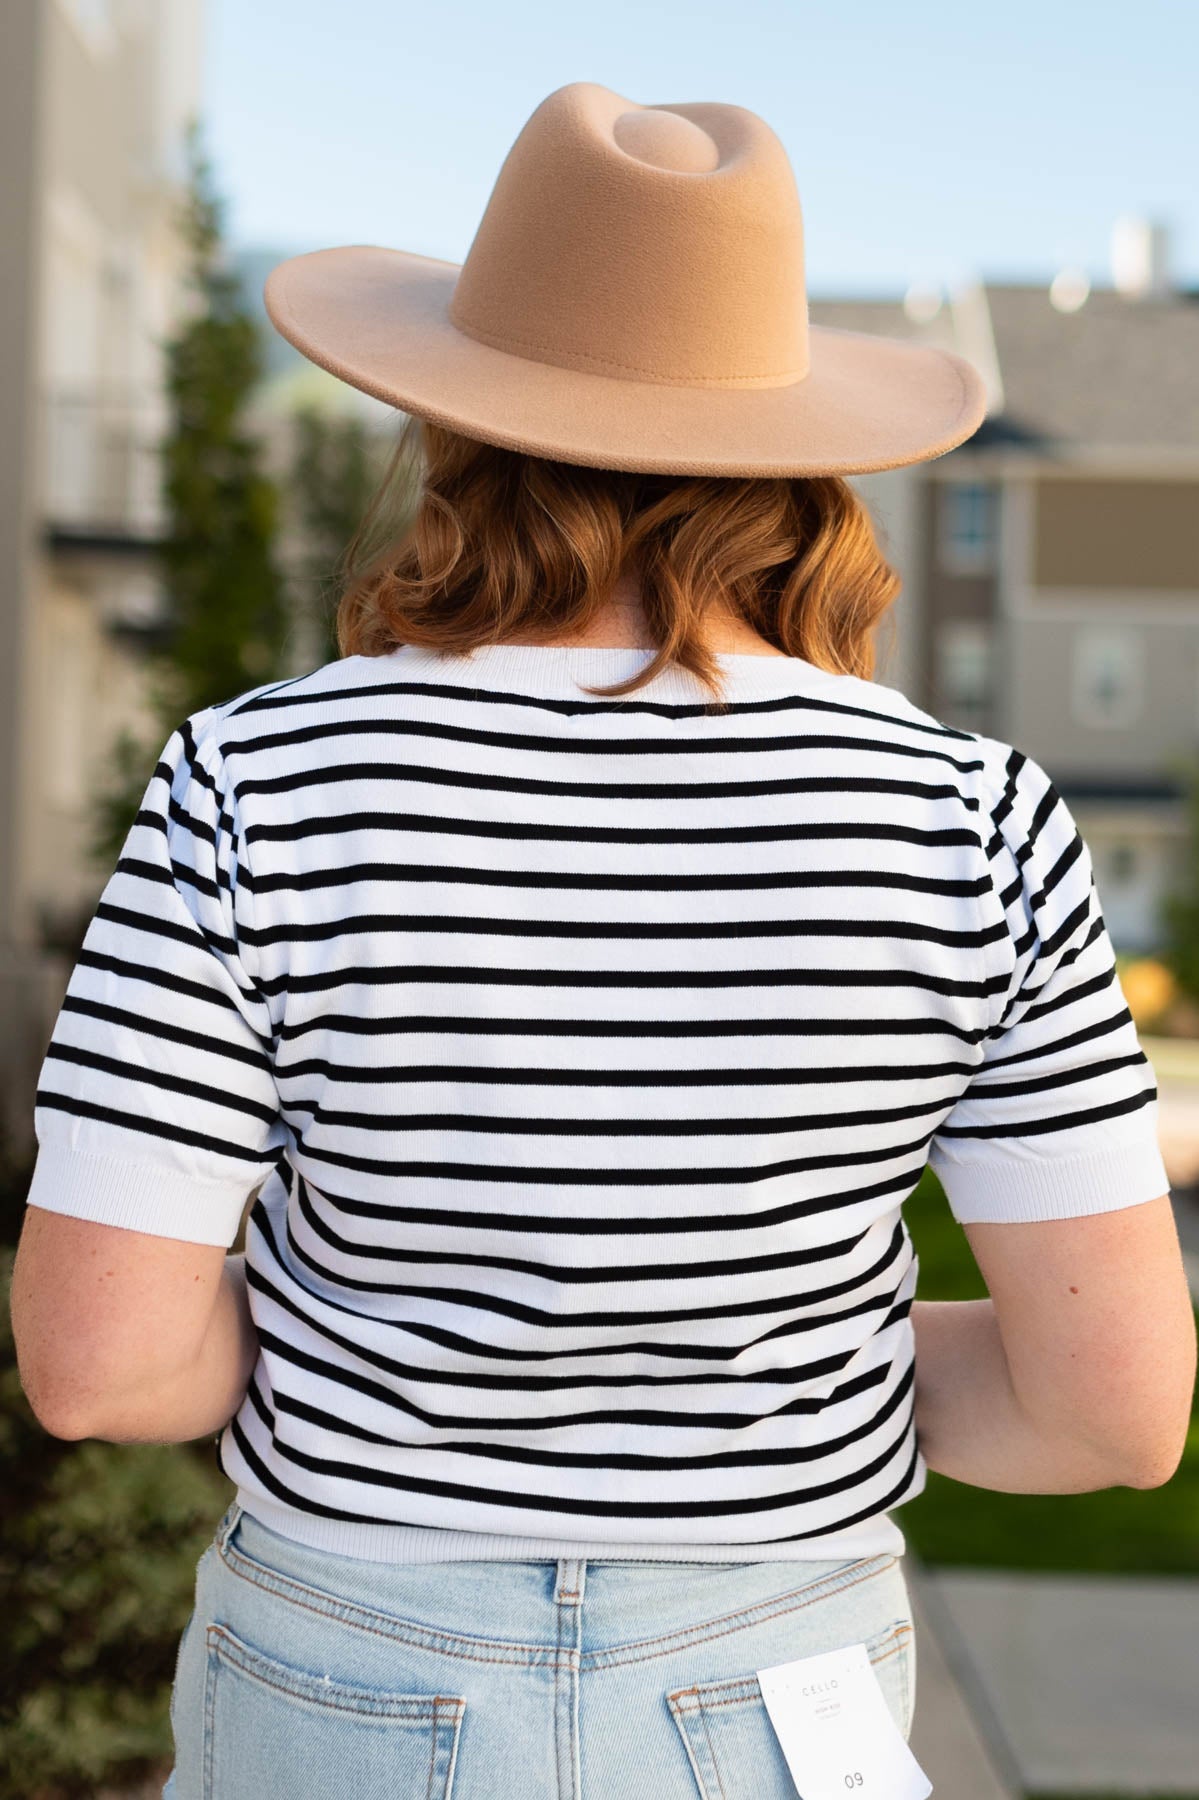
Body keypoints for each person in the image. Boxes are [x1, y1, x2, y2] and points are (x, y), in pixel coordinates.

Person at [11, 81, 1195, 1800]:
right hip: (780, 1690)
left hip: (347, 1679)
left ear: (458, 426)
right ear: (795, 463)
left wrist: (405, 1342)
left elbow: (100, 1365)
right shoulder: (976, 820)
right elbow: (1110, 1413)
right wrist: (759, 1364)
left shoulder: (252, 779)